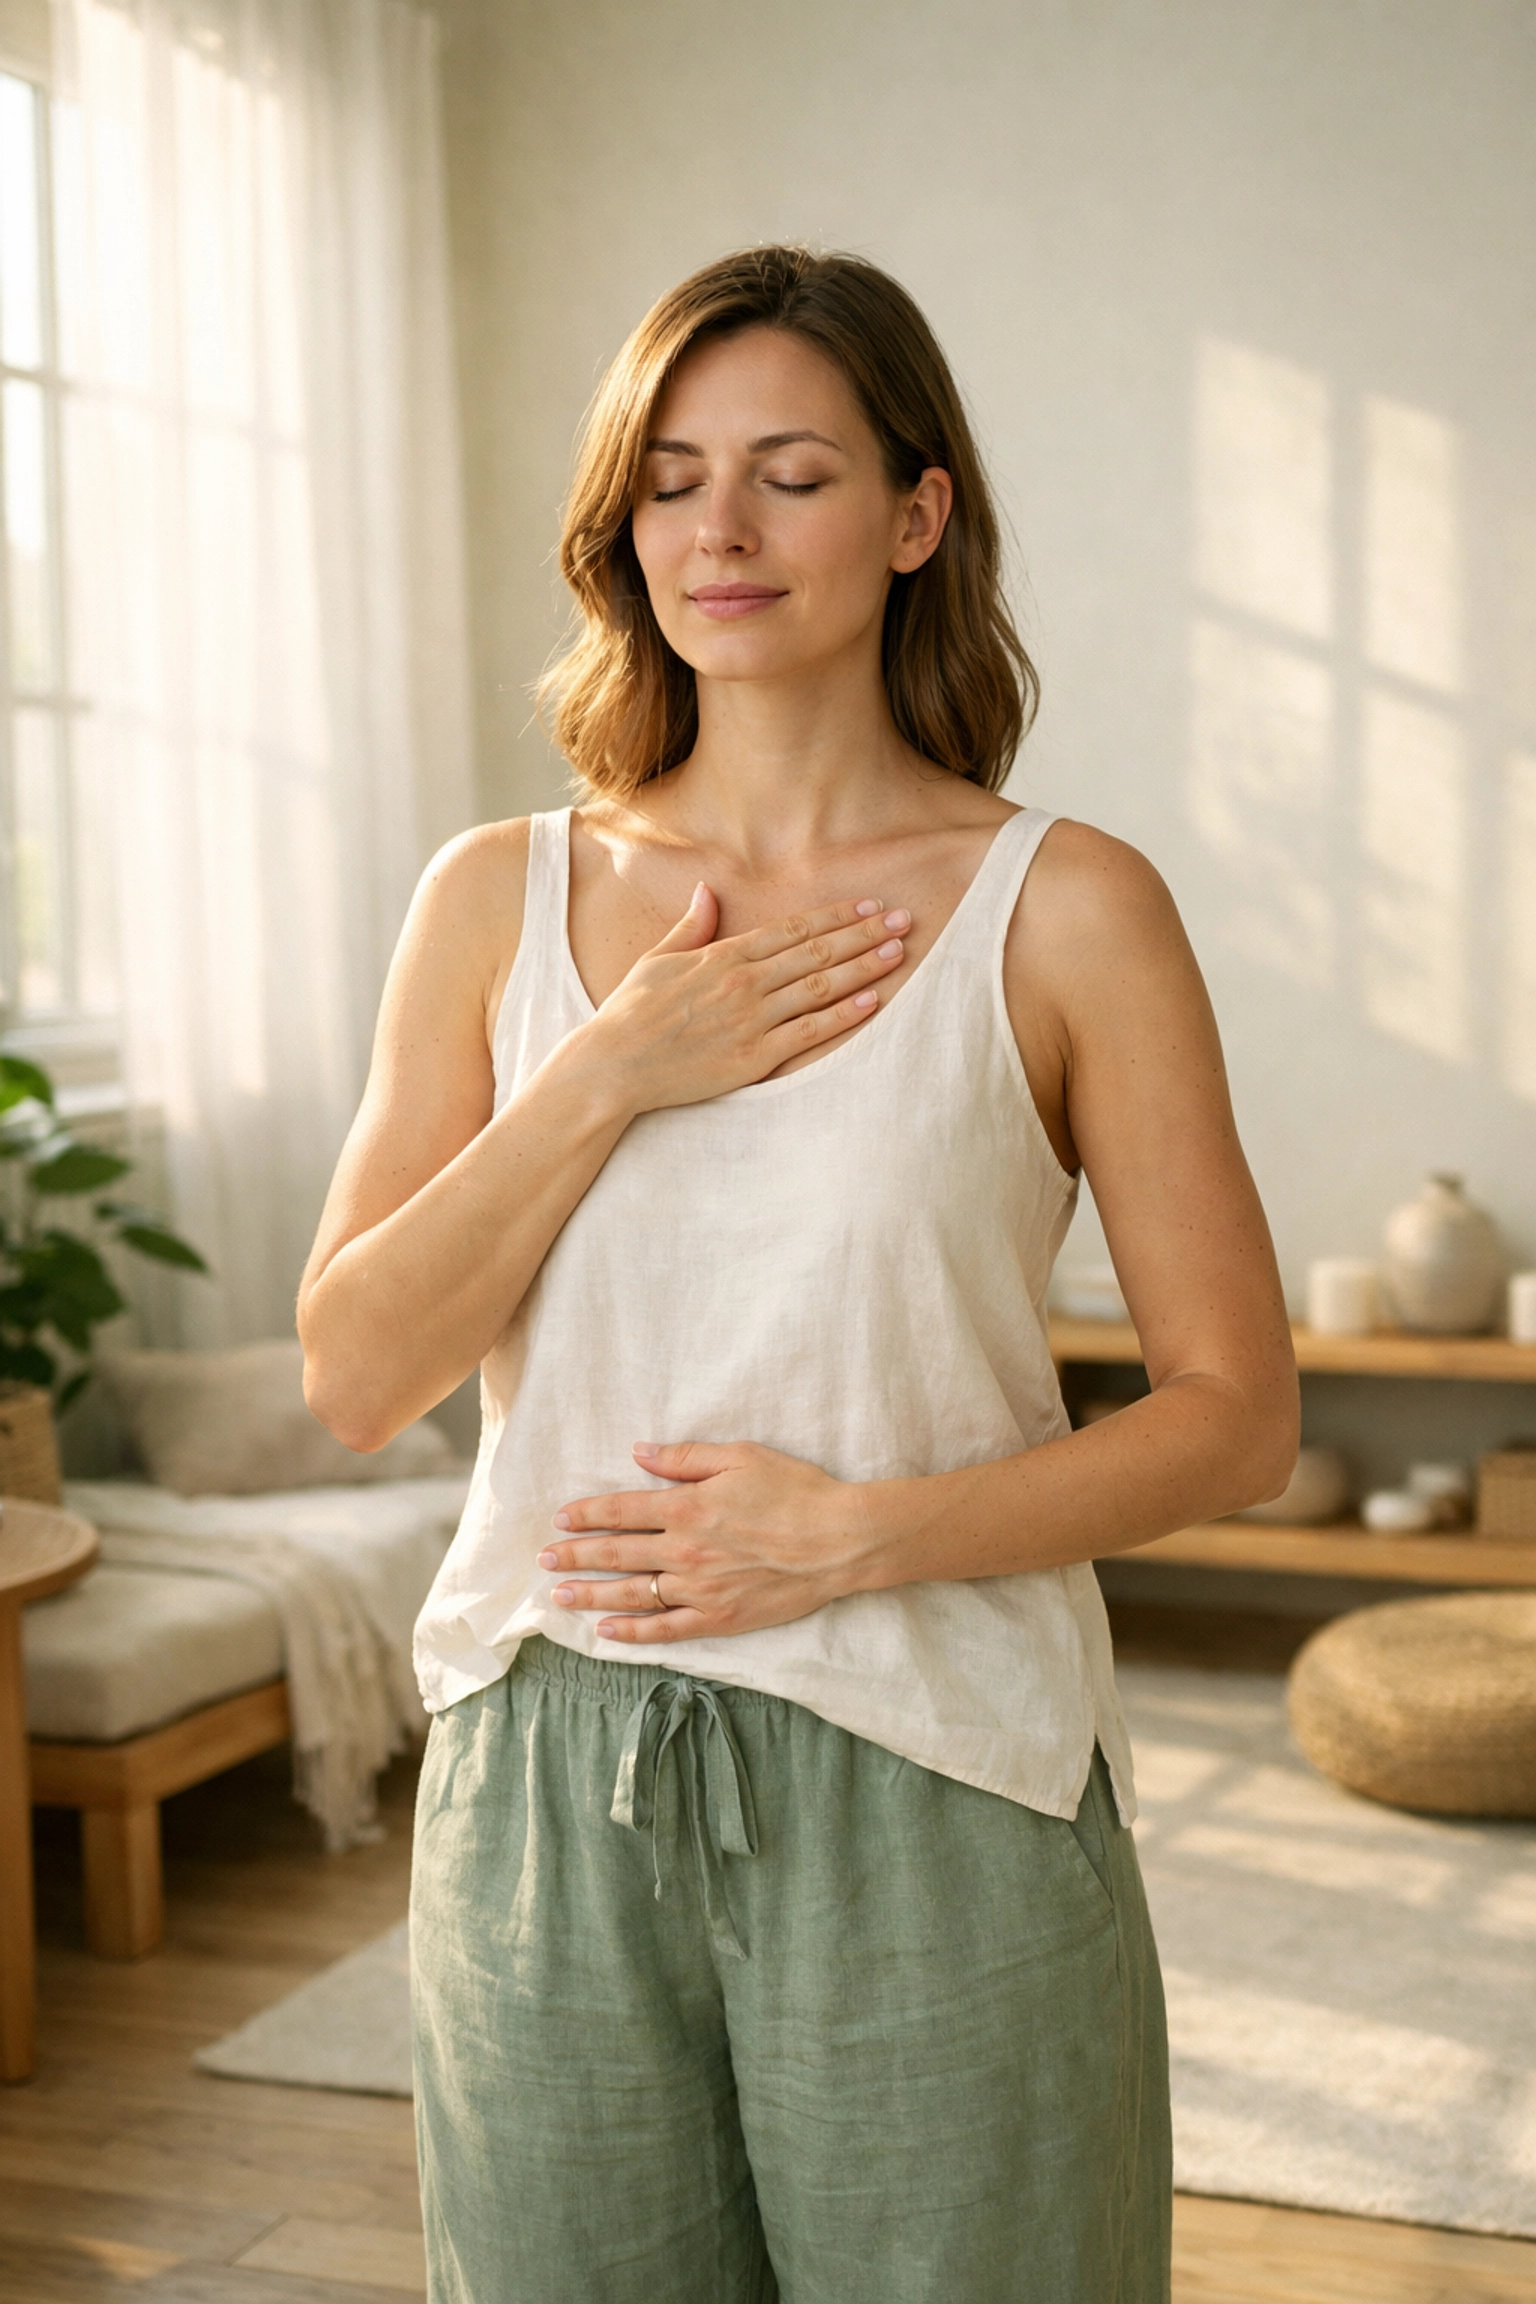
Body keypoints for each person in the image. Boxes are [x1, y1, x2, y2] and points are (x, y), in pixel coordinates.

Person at [298, 244, 1298, 2304]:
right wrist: (605, 1075)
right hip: (548, 1779)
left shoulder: (1068, 906)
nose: (719, 530)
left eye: (792, 473)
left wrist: (854, 1538)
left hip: (933, 1760)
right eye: (669, 478)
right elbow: (356, 1369)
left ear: (918, 515)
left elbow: (1237, 1415)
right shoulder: (496, 901)